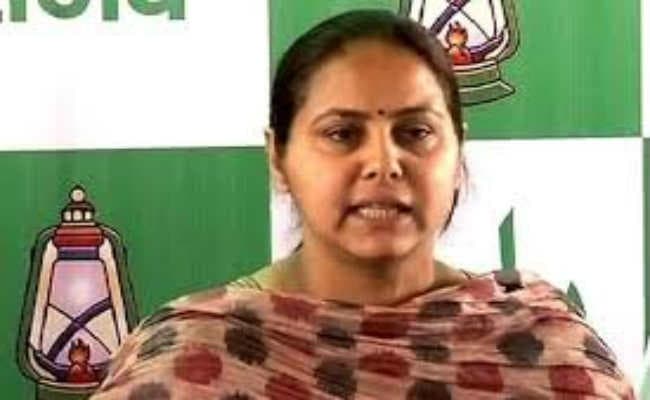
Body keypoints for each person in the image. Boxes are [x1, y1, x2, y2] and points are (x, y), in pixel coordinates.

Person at [90, 10, 635, 399]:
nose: (384, 163)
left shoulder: (543, 343)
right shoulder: (194, 361)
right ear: (278, 157)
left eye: (416, 132)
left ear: (457, 152)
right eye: (342, 134)